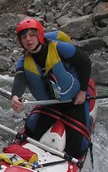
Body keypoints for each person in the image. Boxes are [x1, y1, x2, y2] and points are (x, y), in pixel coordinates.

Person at [10, 18, 93, 158]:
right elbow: (19, 80)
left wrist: (83, 91)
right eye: (24, 37)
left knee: (78, 148)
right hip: (51, 105)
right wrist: (15, 96)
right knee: (30, 133)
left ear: (40, 35)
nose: (28, 40)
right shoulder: (24, 61)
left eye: (32, 35)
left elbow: (85, 62)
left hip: (74, 101)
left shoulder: (59, 48)